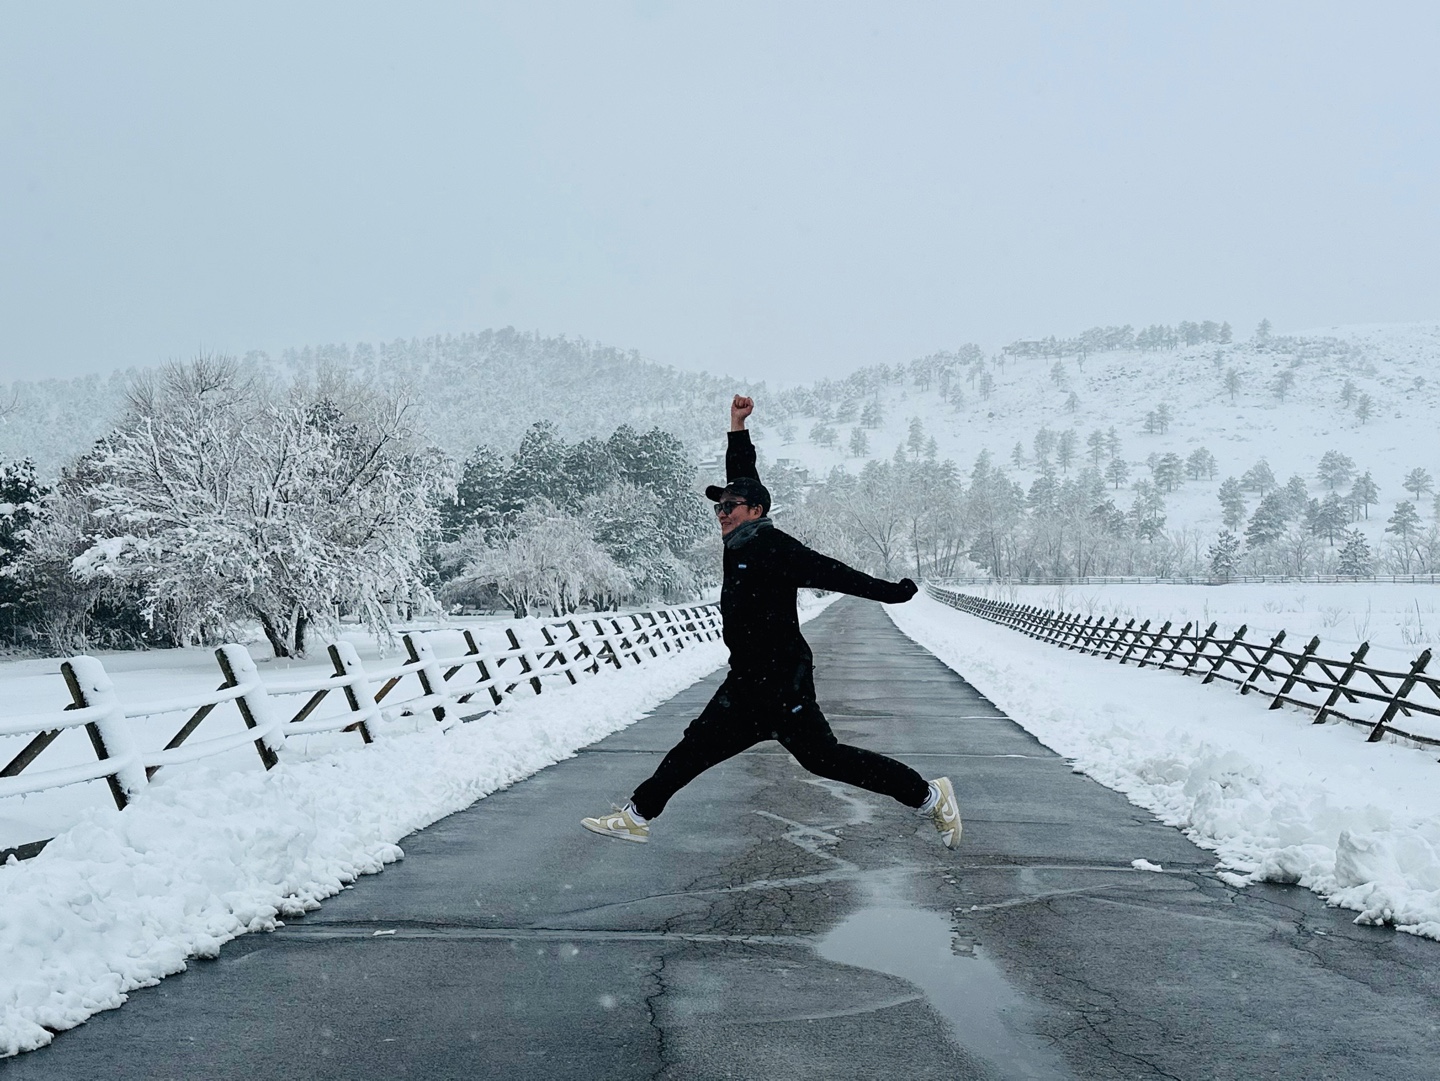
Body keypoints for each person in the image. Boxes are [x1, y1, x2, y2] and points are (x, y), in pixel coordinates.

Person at [581, 395, 961, 848]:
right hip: (751, 677)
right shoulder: (738, 540)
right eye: (718, 507)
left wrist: (892, 593)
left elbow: (833, 572)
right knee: (718, 748)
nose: (722, 513)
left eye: (731, 507)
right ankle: (637, 814)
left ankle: (927, 794)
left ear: (756, 511)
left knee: (806, 757)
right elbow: (743, 476)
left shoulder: (775, 547)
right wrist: (736, 425)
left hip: (779, 681)